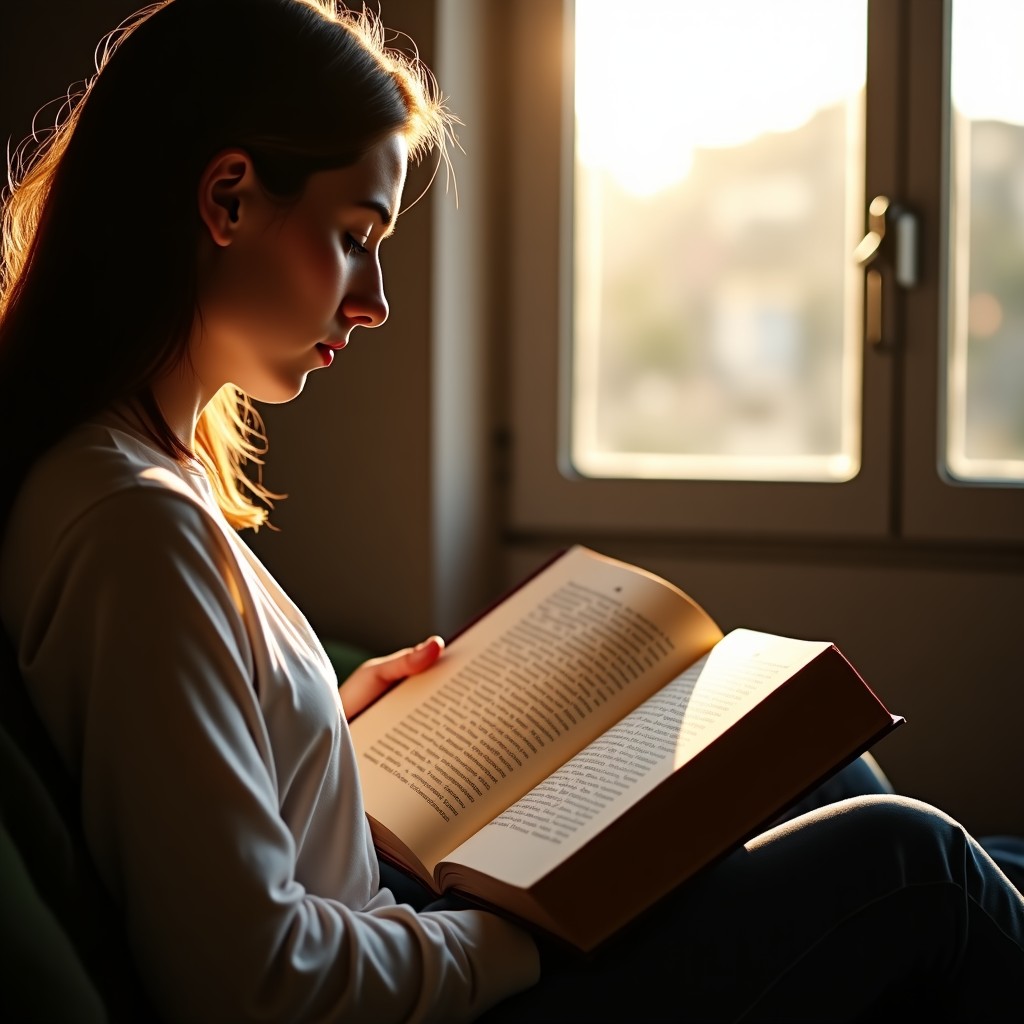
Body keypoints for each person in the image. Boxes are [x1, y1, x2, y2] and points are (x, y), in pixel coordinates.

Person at [0, 1, 1022, 1021]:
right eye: (355, 237)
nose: (375, 301)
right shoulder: (130, 530)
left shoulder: (141, 481)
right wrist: (528, 928)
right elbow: (258, 984)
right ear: (227, 201)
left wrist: (323, 728)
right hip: (452, 985)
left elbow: (198, 795)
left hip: (410, 925)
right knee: (916, 863)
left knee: (814, 770)